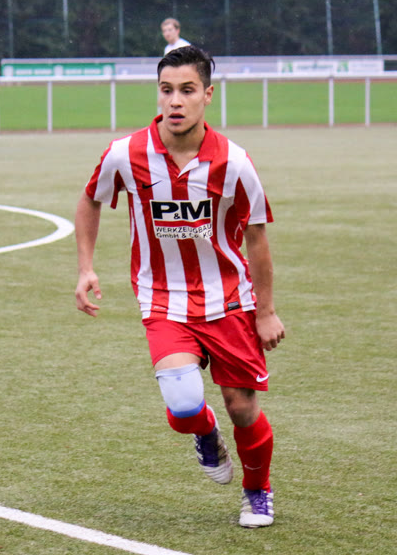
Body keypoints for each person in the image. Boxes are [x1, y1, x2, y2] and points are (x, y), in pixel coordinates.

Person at [74, 45, 285, 528]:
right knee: (185, 405)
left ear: (207, 95)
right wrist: (86, 267)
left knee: (242, 406)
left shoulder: (234, 162)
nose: (175, 101)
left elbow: (257, 237)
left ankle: (257, 492)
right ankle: (205, 433)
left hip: (229, 299)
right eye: (166, 90)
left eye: (187, 90)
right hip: (163, 299)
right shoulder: (126, 153)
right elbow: (89, 200)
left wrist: (267, 311)